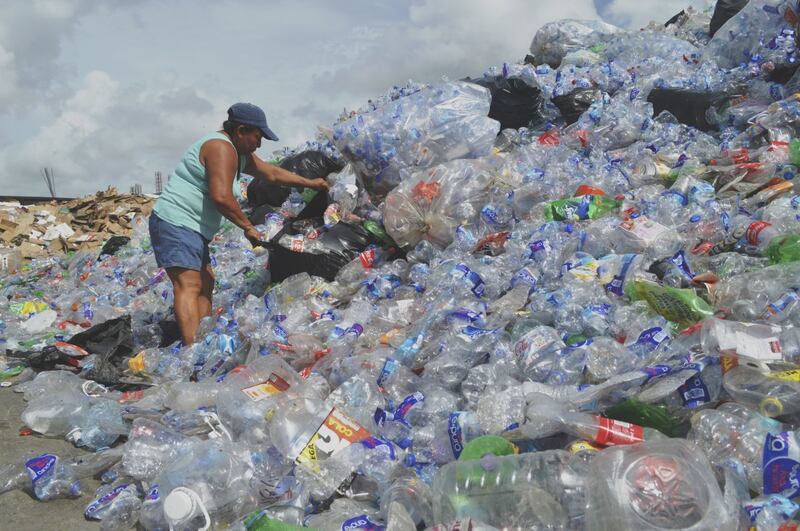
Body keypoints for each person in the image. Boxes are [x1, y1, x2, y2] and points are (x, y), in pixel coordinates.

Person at [149, 102, 329, 345]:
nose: (260, 143)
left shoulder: (238, 153)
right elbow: (221, 196)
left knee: (206, 282)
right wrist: (247, 227)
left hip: (193, 228)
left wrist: (311, 183)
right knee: (189, 284)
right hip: (176, 221)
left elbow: (273, 174)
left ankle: (203, 341)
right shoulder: (220, 148)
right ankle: (191, 351)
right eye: (257, 136)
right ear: (241, 130)